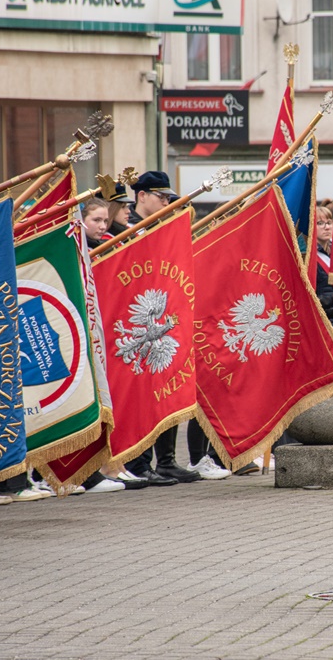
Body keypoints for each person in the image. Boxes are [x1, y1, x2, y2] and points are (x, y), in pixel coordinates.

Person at [123, 171, 198, 485]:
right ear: (142, 196)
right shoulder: (126, 229)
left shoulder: (161, 229)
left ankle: (166, 461)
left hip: (165, 317)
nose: (167, 202)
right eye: (161, 197)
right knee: (142, 393)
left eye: (168, 197)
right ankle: (139, 462)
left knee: (169, 386)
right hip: (137, 321)